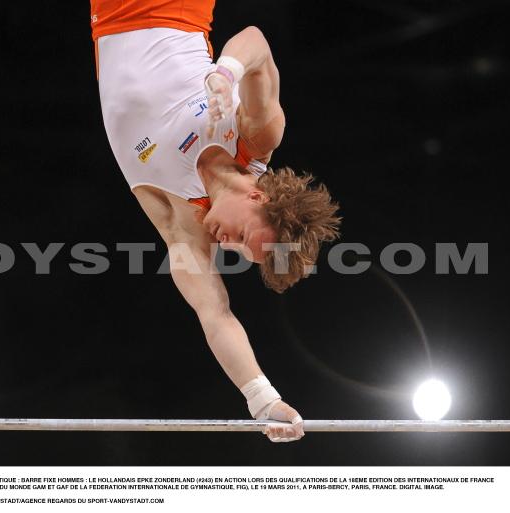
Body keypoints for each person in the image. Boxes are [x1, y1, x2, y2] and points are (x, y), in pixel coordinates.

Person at [89, 0, 340, 443]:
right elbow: (257, 44)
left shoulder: (181, 222)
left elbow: (216, 313)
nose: (230, 246)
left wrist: (262, 399)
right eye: (245, 236)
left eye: (240, 252)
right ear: (258, 196)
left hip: (106, 18)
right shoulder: (255, 137)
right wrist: (225, 74)